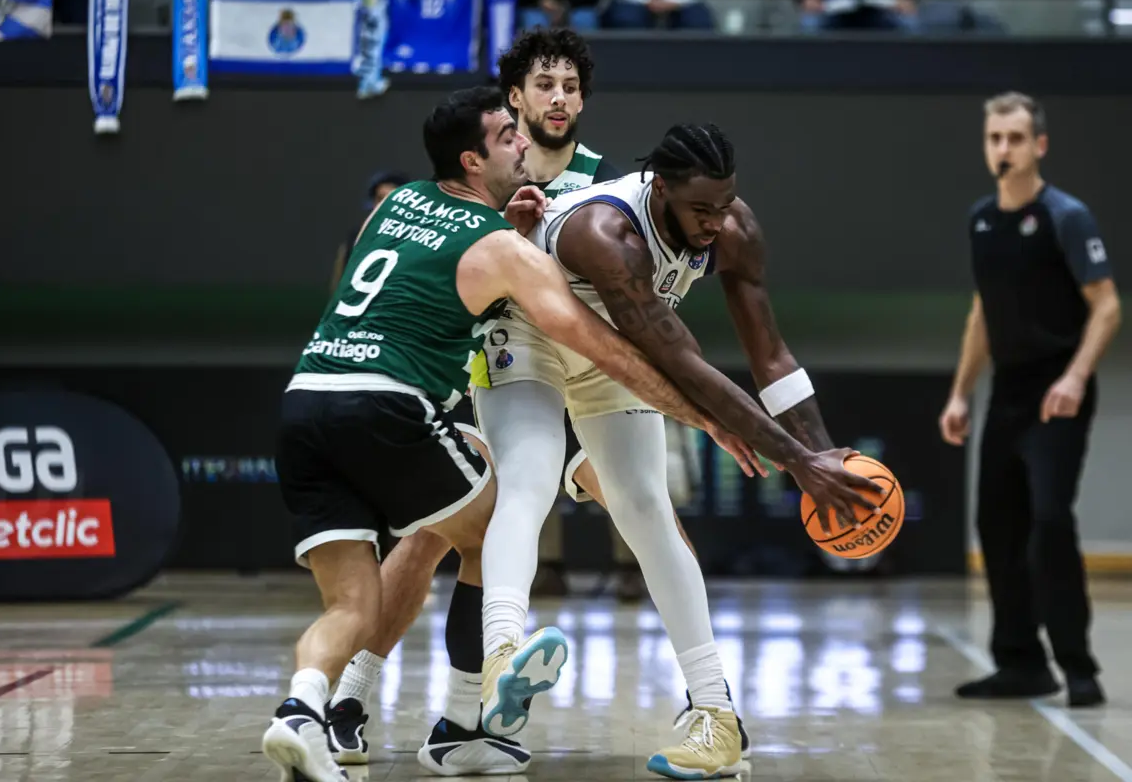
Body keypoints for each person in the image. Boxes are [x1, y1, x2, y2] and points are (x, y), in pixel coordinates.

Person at [260, 85, 761, 782]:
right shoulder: (503, 243)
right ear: (474, 158)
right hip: (398, 398)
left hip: (305, 401)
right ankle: (474, 705)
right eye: (507, 135)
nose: (524, 139)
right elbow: (604, 345)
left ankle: (304, 710)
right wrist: (701, 413)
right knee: (497, 510)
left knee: (358, 599)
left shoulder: (396, 202)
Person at [473, 122, 880, 780]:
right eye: (701, 209)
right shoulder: (606, 235)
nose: (717, 223)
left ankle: (717, 717)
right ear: (660, 188)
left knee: (648, 510)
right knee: (529, 478)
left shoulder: (734, 226)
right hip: (528, 333)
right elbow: (681, 363)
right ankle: (500, 663)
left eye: (725, 205)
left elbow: (770, 355)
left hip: (613, 354)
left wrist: (825, 455)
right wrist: (797, 464)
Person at [939, 91, 1120, 708]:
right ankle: (1020, 663)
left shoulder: (1067, 216)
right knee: (997, 525)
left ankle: (1079, 666)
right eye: (995, 138)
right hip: (1008, 392)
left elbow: (1107, 306)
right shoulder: (981, 219)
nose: (1004, 149)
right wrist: (961, 393)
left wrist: (1073, 378)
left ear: (1039, 145)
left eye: (1015, 138)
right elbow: (981, 315)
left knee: (1049, 521)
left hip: (1057, 391)